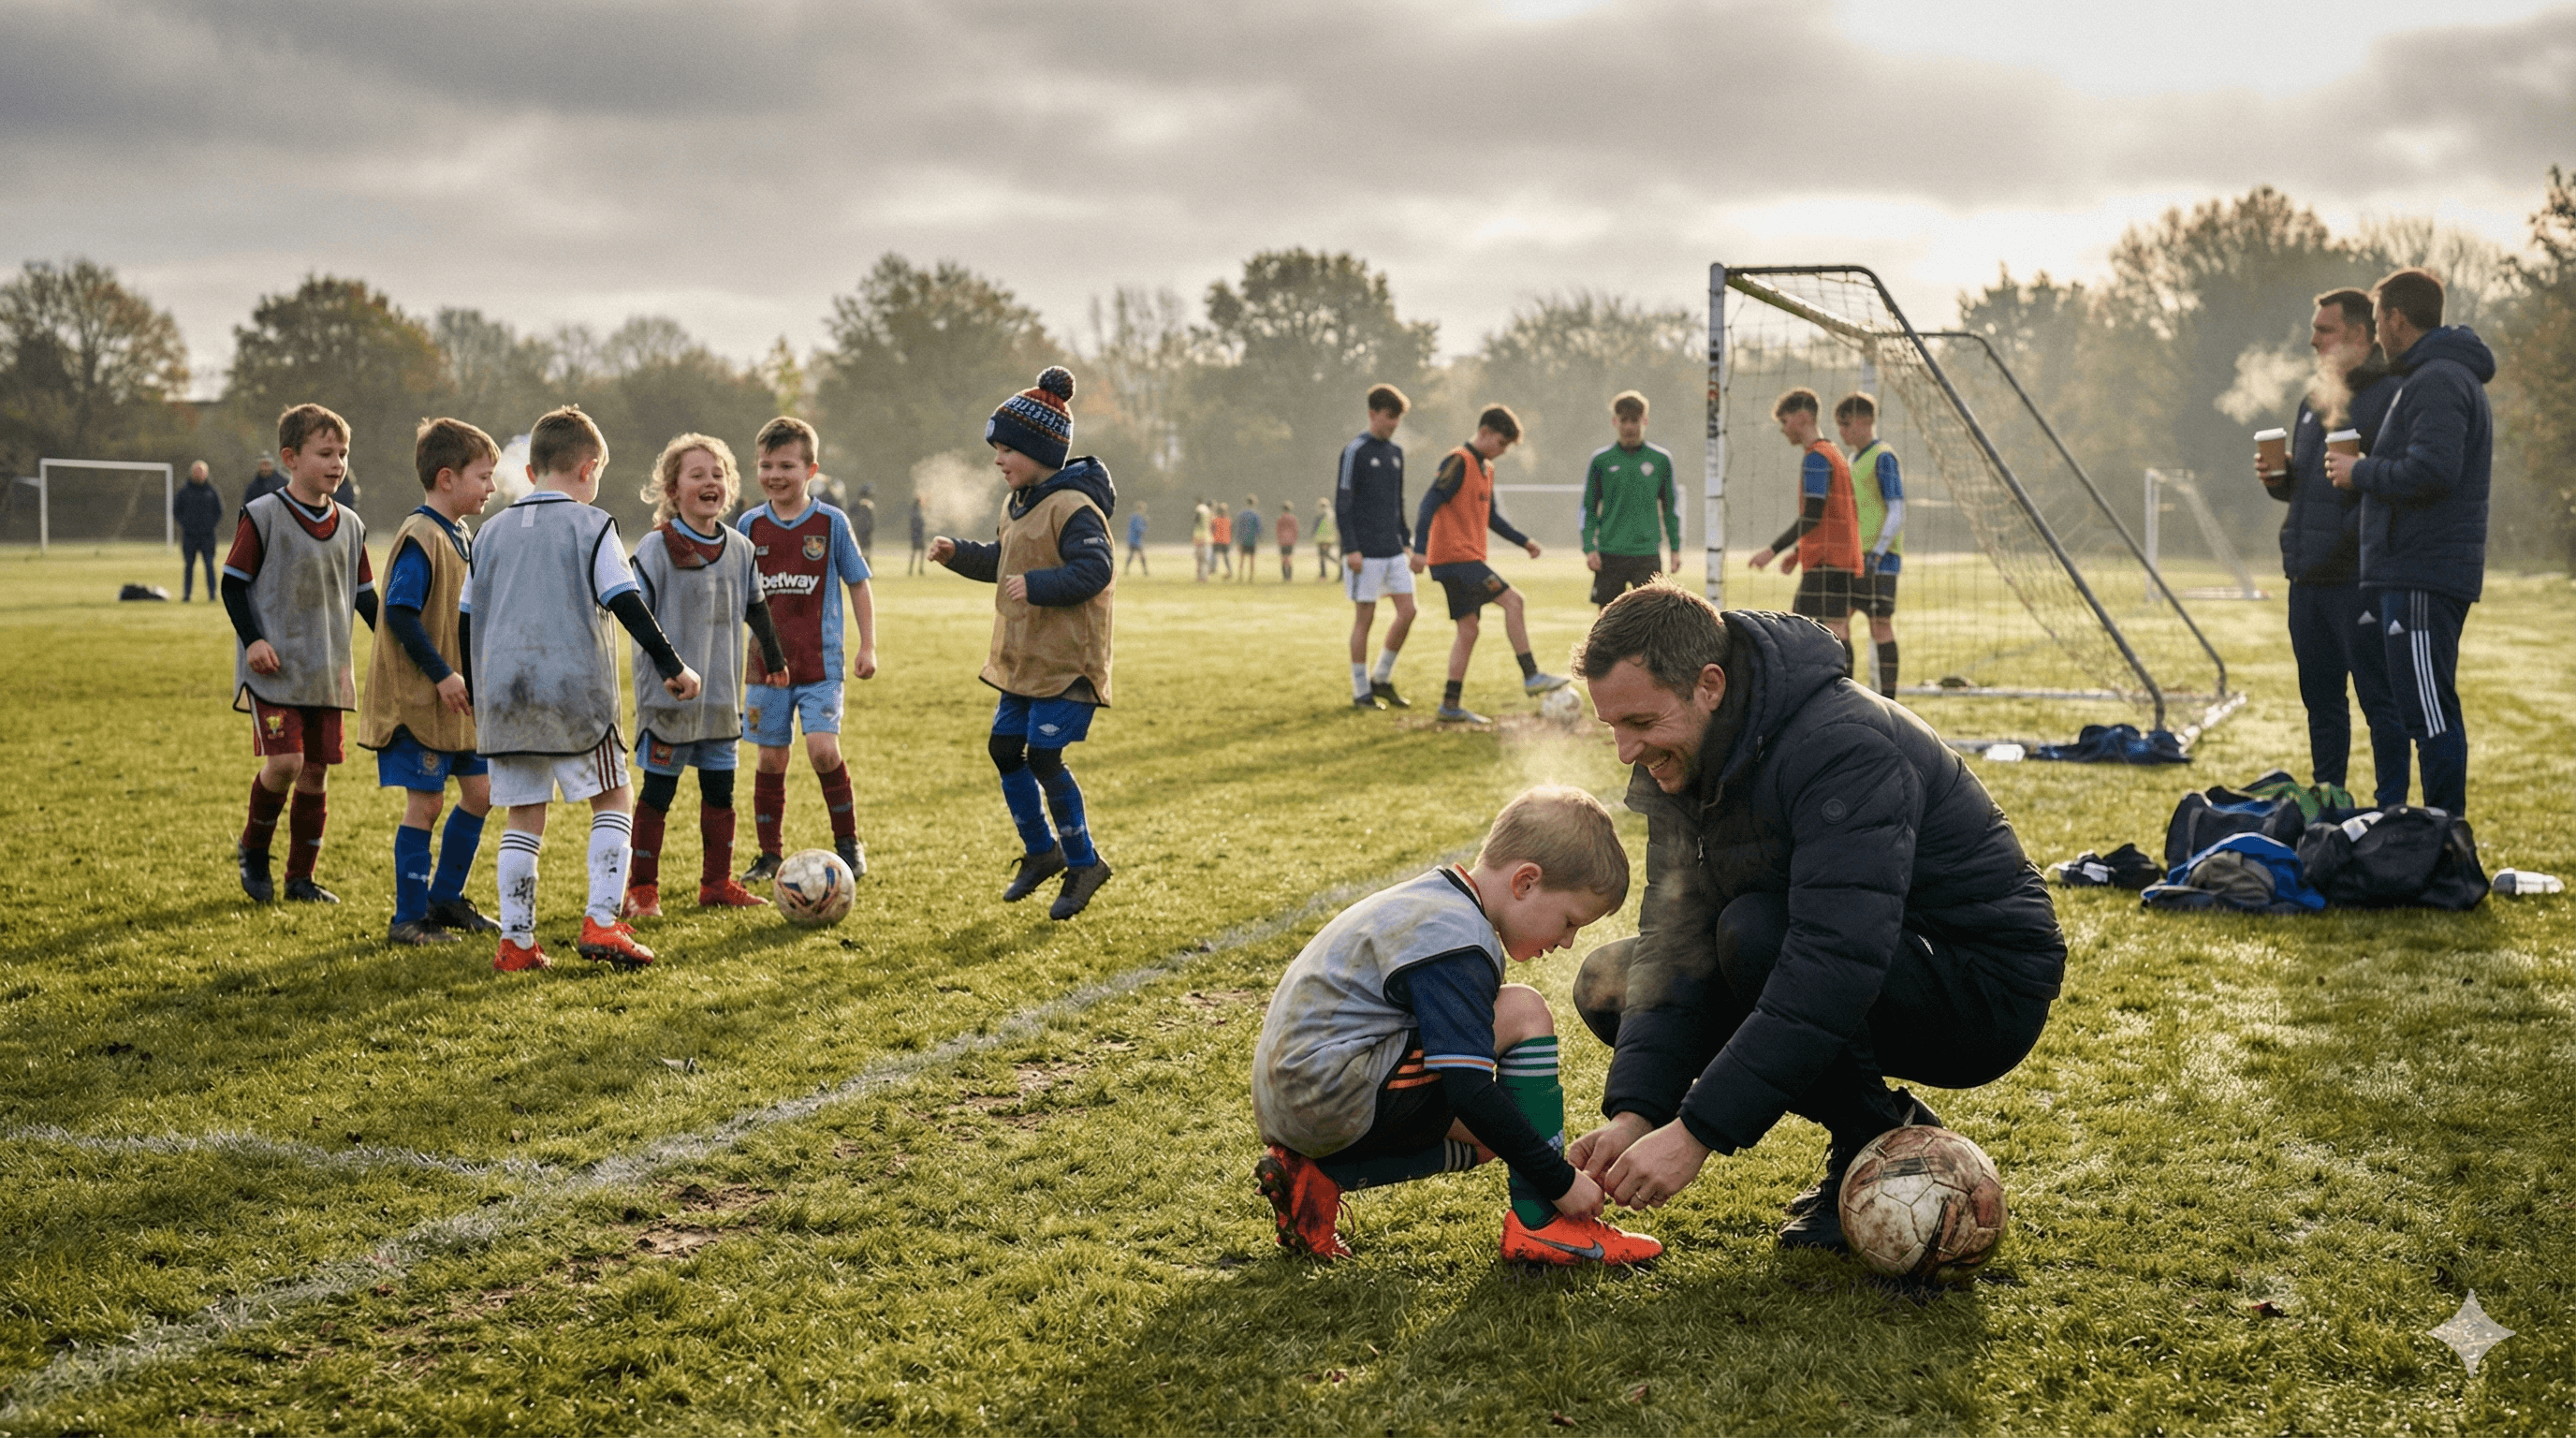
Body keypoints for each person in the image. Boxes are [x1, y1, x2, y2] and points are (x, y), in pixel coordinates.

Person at [1560, 582, 2064, 1250]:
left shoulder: (1844, 745)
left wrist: (1696, 1131)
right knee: (1614, 980)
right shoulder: (1683, 762)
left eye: (1642, 724)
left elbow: (1833, 962)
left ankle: (1867, 1143)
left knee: (1753, 935)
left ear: (1709, 685)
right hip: (1854, 958)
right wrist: (1636, 1113)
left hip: (1982, 988)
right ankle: (1887, 1124)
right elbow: (1674, 942)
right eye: (1614, 727)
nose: (1626, 751)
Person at [1251, 785, 1662, 1266]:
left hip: (1300, 1093)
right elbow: (1467, 1088)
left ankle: (1315, 1180)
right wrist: (1560, 1181)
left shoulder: (1436, 899)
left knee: (1506, 1135)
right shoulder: (1460, 940)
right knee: (1524, 1012)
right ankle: (1545, 1225)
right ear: (1525, 882)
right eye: (1569, 921)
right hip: (1330, 1090)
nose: (1568, 942)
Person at [470, 405, 701, 973]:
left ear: (531, 471)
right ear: (589, 468)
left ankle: (517, 942)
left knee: (523, 814)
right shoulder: (592, 524)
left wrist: (476, 686)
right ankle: (602, 919)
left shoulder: (489, 532)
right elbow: (624, 599)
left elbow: (466, 615)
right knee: (614, 797)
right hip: (573, 692)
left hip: (502, 695)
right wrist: (672, 663)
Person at [928, 366, 1118, 921]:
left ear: (1039, 451)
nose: (997, 459)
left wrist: (1036, 585)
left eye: (1006, 448)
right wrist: (958, 554)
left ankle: (1084, 862)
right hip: (1022, 662)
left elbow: (1095, 570)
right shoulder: (1019, 504)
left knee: (1044, 756)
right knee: (1004, 750)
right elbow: (1003, 563)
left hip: (1064, 665)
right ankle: (1042, 852)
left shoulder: (1075, 508)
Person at [2327, 267, 2496, 816]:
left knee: (2430, 713)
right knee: (2420, 708)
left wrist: (2362, 472)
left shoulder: (2438, 379)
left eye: (2377, 321)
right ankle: (2423, 834)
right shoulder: (2431, 377)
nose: (2376, 335)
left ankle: (2448, 840)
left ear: (2397, 319)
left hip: (2424, 573)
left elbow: (2432, 472)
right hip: (2409, 571)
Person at [622, 433, 792, 920]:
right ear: (672, 491)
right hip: (669, 697)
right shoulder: (656, 547)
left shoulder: (740, 547)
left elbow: (756, 608)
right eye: (696, 475)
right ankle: (642, 890)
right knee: (659, 793)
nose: (709, 482)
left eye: (718, 474)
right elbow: (635, 611)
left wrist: (775, 660)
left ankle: (716, 884)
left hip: (719, 696)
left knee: (720, 792)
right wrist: (665, 667)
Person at [222, 404, 376, 905]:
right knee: (285, 762)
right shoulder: (263, 515)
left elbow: (366, 599)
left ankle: (300, 878)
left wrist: (400, 648)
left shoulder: (352, 525)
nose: (337, 463)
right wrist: (255, 641)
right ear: (290, 457)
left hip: (327, 673)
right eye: (324, 453)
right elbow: (233, 585)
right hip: (274, 670)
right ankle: (254, 849)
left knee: (315, 771)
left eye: (343, 453)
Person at [358, 418, 503, 946]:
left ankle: (445, 898)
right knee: (426, 803)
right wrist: (441, 675)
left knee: (482, 792)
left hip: (456, 700)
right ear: (447, 478)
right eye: (484, 476)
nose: (492, 487)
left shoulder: (459, 534)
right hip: (420, 697)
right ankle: (408, 919)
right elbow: (398, 612)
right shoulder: (422, 534)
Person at [2261, 287, 2406, 804]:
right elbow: (2315, 488)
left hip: (2357, 577)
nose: (2314, 339)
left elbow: (2387, 487)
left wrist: (2344, 546)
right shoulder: (2312, 399)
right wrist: (2280, 480)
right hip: (2306, 577)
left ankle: (2392, 813)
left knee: (2379, 700)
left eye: (2326, 329)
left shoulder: (2391, 397)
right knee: (2321, 702)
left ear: (2361, 336)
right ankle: (2329, 803)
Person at [737, 416, 878, 884]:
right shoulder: (750, 524)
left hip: (821, 665)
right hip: (766, 669)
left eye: (787, 465)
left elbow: (857, 583)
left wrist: (868, 646)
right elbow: (734, 594)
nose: (775, 475)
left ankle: (848, 843)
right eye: (766, 465)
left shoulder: (830, 522)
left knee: (822, 750)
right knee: (771, 759)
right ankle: (769, 856)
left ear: (810, 469)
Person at [1410, 404, 1566, 725]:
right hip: (1456, 559)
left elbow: (1491, 517)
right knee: (1514, 601)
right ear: (1484, 433)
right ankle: (1531, 675)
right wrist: (1419, 550)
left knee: (1468, 630)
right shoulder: (1459, 461)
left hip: (1464, 559)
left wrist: (1524, 542)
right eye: (1502, 443)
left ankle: (1450, 705)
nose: (1503, 451)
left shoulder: (1486, 469)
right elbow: (1429, 503)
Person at [1747, 388, 1862, 674]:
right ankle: (1846, 693)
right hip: (1841, 558)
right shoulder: (1834, 452)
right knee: (1837, 629)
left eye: (1785, 422)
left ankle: (1828, 694)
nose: (1784, 430)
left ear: (1801, 418)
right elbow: (1830, 516)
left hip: (1826, 561)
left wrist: (1771, 551)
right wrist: (1799, 551)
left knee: (1802, 631)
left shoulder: (1816, 458)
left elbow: (1812, 515)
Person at [1338, 385, 1417, 709]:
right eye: (1389, 417)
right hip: (1364, 553)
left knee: (1409, 611)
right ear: (1373, 414)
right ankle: (1361, 692)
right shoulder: (1355, 450)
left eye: (1398, 419)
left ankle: (1381, 678)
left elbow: (1397, 503)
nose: (1394, 424)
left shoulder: (1396, 454)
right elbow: (1343, 503)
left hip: (1394, 550)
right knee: (1365, 619)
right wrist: (1351, 548)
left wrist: (1407, 542)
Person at [1834, 392, 1908, 698]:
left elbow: (1897, 508)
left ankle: (1890, 700)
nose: (1843, 431)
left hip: (1879, 559)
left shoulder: (1883, 456)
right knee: (1838, 625)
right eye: (1839, 426)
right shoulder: (1852, 459)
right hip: (1853, 558)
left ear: (1865, 421)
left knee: (1880, 626)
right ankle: (1845, 696)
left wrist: (1878, 550)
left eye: (1846, 424)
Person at [1579, 390, 1680, 608]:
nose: (1629, 427)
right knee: (1607, 620)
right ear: (1615, 421)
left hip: (1646, 553)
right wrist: (1589, 546)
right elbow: (1588, 508)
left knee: (1650, 618)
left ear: (1644, 420)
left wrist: (1675, 548)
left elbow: (1671, 508)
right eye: (1624, 420)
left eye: (1634, 420)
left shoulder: (1661, 460)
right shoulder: (1601, 461)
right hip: (1610, 552)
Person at [173, 461, 225, 602]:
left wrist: (210, 526)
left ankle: (212, 594)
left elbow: (219, 511)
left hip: (207, 536)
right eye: (196, 471)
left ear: (206, 473)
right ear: (192, 473)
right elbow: (176, 510)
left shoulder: (212, 490)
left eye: (201, 471)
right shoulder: (184, 491)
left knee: (209, 564)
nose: (199, 473)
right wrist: (186, 525)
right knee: (189, 565)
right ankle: (187, 594)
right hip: (189, 536)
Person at [1234, 493, 1262, 581]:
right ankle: (1250, 577)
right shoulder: (1255, 515)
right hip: (1252, 539)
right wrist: (1259, 537)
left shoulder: (1242, 514)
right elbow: (1258, 528)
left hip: (1243, 539)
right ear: (1254, 503)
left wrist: (1238, 540)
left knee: (1242, 558)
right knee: (1252, 559)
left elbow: (1239, 528)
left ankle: (1240, 576)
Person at [1311, 497, 1338, 580]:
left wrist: (1312, 534)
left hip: (1322, 539)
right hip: (1329, 539)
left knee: (1324, 556)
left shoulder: (1321, 515)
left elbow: (1315, 526)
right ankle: (1323, 574)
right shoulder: (1332, 515)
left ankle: (1323, 575)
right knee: (1325, 555)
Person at [851, 480, 877, 559]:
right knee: (864, 553)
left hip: (863, 532)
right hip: (862, 532)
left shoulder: (858, 504)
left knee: (863, 553)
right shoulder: (868, 505)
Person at [1124, 501, 1150, 577]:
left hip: (1134, 539)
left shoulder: (1135, 517)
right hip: (1135, 540)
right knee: (1141, 556)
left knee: (1132, 555)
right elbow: (1138, 528)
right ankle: (1145, 571)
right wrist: (1145, 526)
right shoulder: (1137, 517)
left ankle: (1126, 570)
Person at [1274, 501, 1298, 581]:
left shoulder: (1280, 519)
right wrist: (1294, 539)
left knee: (1283, 559)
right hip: (1290, 541)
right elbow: (1295, 530)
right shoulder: (1293, 519)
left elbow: (1278, 530)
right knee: (1290, 559)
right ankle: (1289, 577)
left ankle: (1285, 576)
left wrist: (1278, 540)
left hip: (1282, 541)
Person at [1191, 500, 1212, 581]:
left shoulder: (1197, 527)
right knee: (1205, 561)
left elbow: (1194, 538)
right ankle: (1204, 578)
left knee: (1199, 561)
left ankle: (1199, 577)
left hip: (1198, 542)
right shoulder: (1206, 526)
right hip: (1206, 542)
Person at [906, 495, 928, 576]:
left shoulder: (913, 511)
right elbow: (921, 524)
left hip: (914, 535)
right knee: (920, 552)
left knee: (914, 552)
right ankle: (919, 569)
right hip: (918, 535)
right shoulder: (917, 513)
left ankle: (911, 570)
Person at [1211, 502, 1233, 578]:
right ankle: (1229, 571)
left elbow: (1212, 529)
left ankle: (1213, 569)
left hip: (1217, 540)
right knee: (1225, 557)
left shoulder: (1215, 519)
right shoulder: (1228, 519)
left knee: (1215, 556)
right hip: (1224, 541)